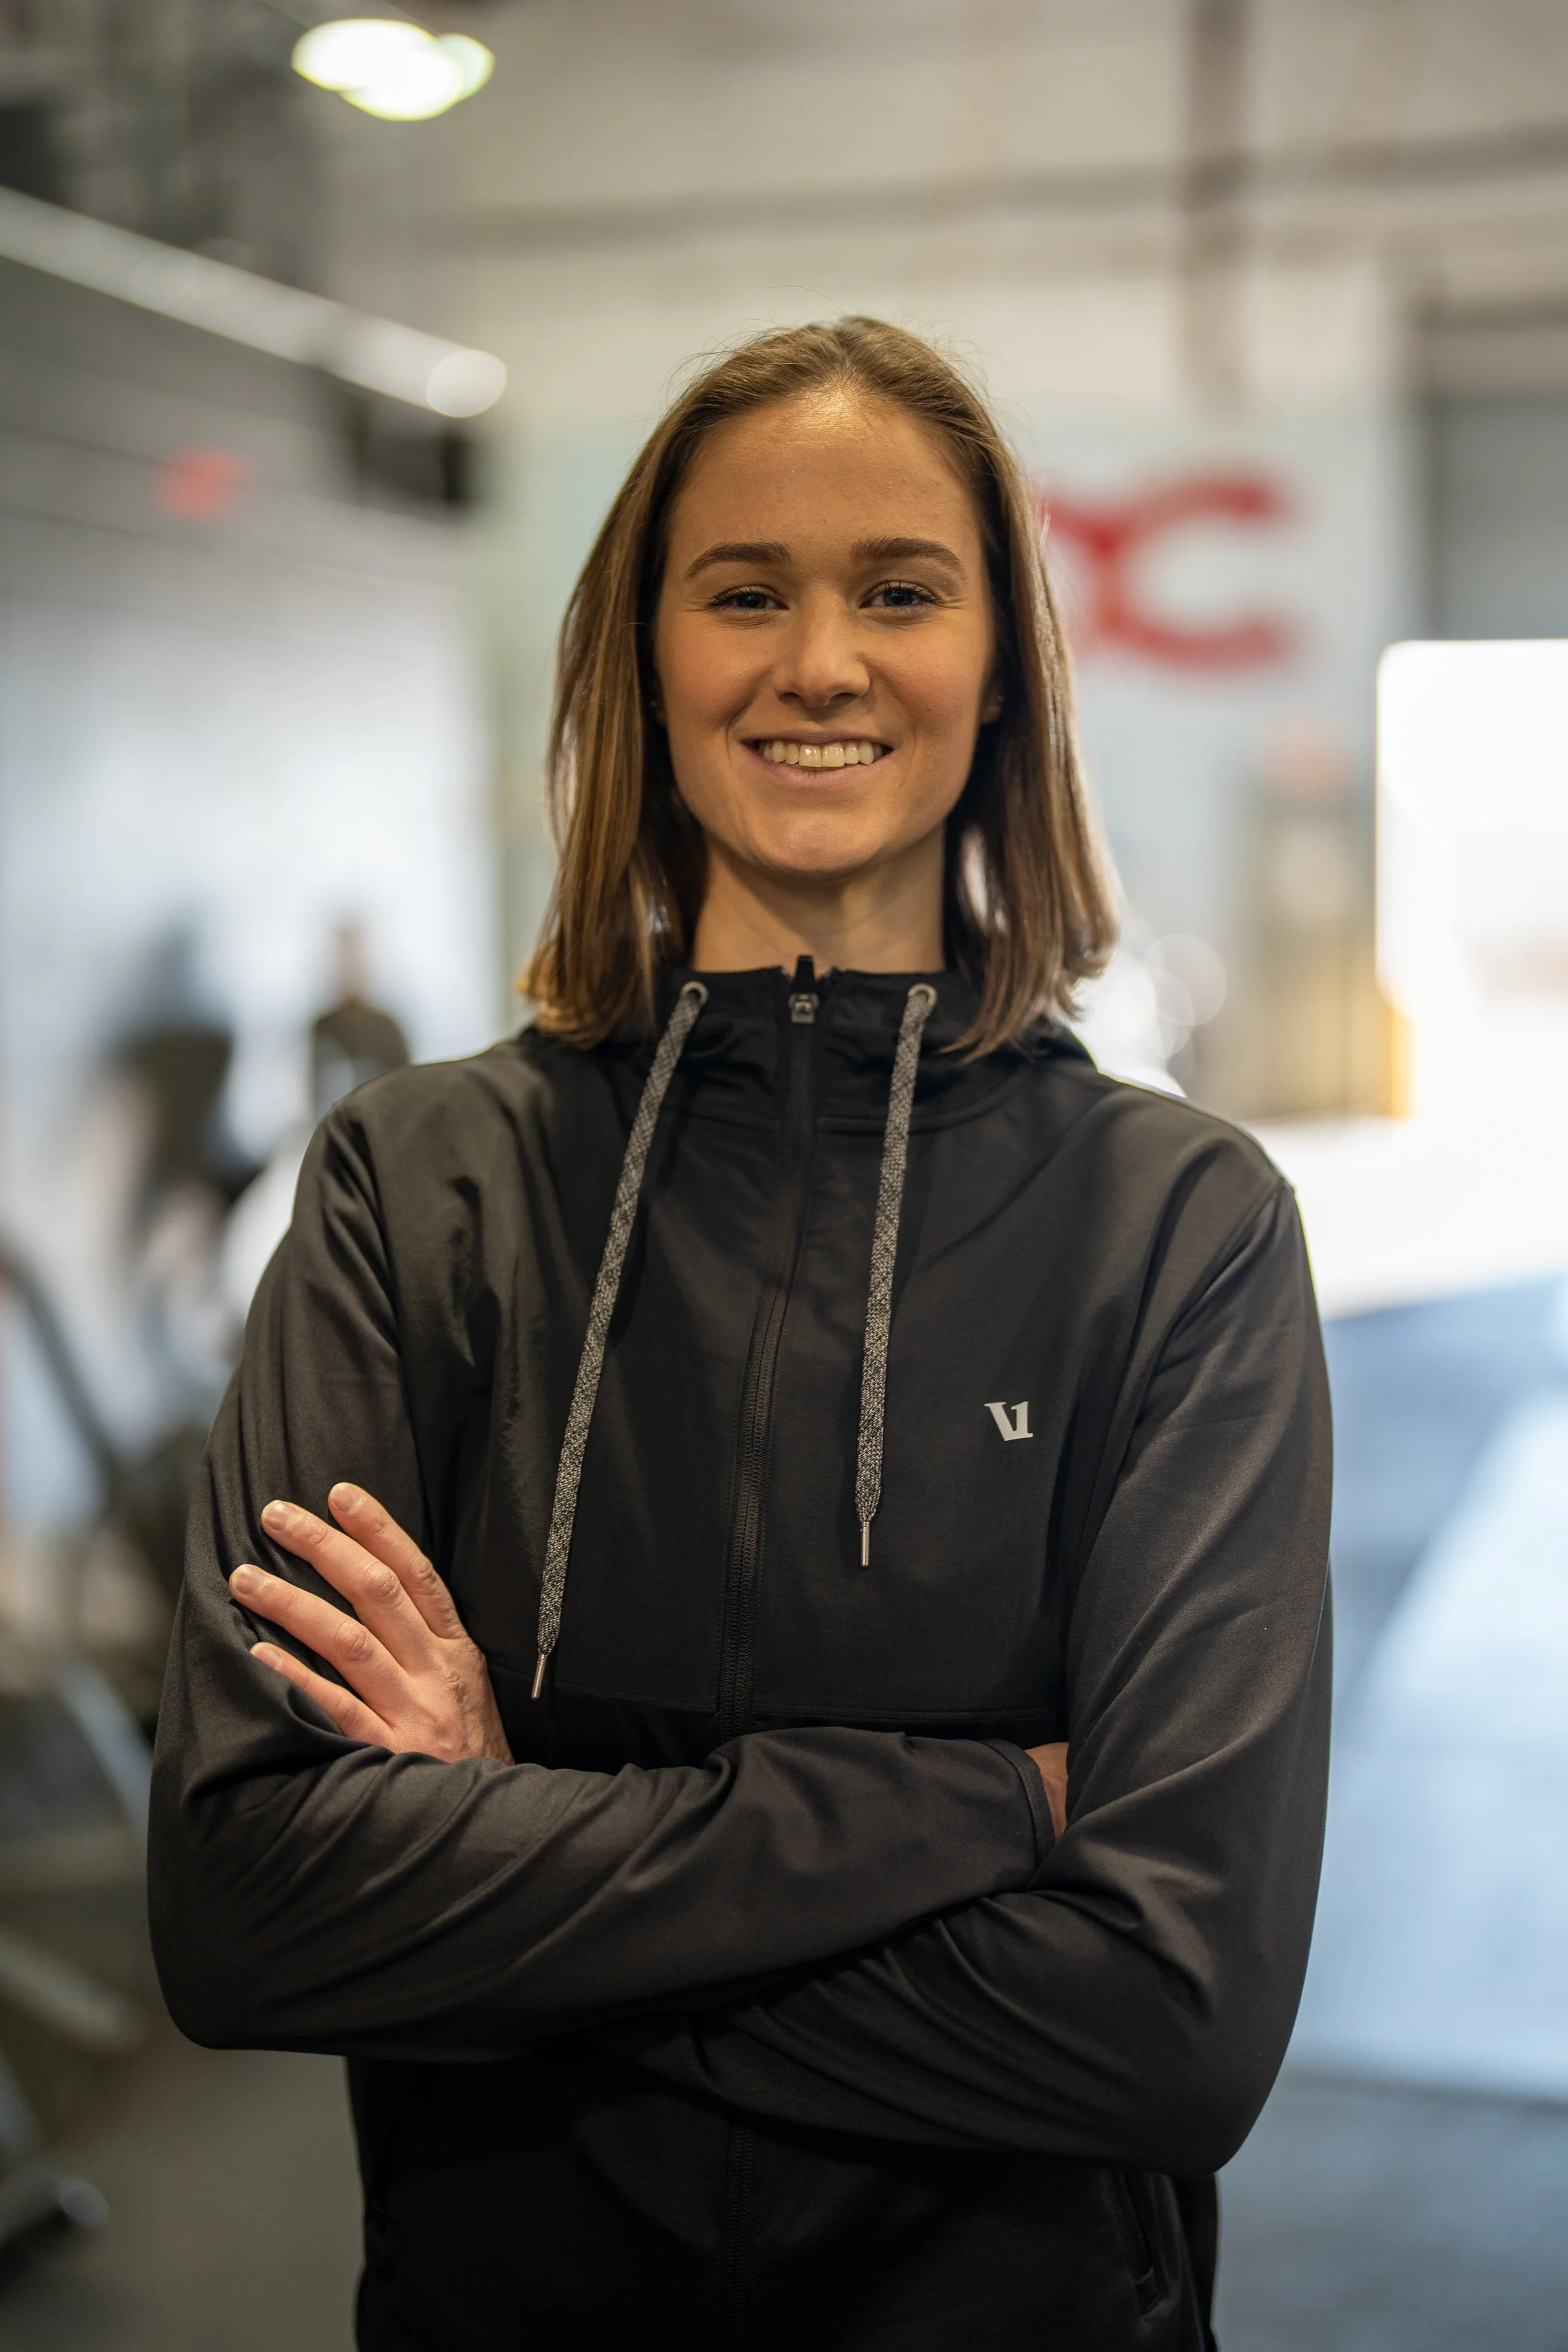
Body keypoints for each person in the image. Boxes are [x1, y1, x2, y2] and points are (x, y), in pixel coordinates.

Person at [149, 318, 1332, 2352]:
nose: (820, 661)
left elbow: (1170, 2027)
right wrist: (989, 1810)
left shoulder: (1177, 1226)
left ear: (1002, 669)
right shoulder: (414, 1187)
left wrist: (509, 1843)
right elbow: (258, 1905)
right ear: (644, 653)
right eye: (744, 591)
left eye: (897, 589)